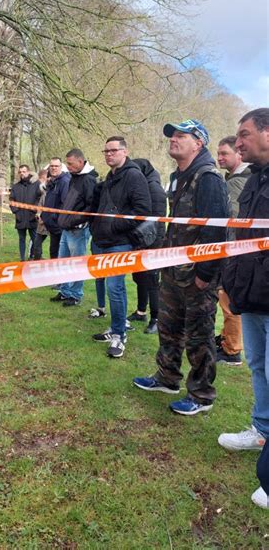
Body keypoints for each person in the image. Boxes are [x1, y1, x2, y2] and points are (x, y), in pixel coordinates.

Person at [133, 119, 229, 415]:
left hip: (197, 276)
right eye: (171, 136)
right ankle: (167, 377)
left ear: (198, 143)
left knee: (199, 335)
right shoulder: (177, 177)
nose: (173, 140)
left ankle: (201, 395)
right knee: (168, 327)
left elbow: (216, 229)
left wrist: (205, 274)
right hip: (173, 270)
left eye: (180, 136)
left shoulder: (208, 178)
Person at [219, 108, 269, 509]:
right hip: (251, 296)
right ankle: (261, 430)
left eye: (245, 134)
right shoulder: (254, 180)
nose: (238, 143)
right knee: (257, 367)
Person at [89, 138, 152, 358]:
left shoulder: (134, 176)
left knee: (115, 288)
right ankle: (117, 327)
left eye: (113, 150)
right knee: (111, 287)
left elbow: (143, 210)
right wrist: (96, 225)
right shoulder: (110, 177)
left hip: (121, 241)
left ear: (125, 152)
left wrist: (114, 226)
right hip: (104, 240)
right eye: (105, 150)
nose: (108, 154)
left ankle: (119, 336)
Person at [215, 136, 251, 365]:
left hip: (235, 251)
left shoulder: (239, 182)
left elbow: (233, 219)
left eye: (224, 154)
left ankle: (232, 350)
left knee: (229, 301)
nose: (220, 158)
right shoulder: (235, 179)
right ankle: (227, 339)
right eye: (218, 154)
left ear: (239, 154)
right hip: (235, 250)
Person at [50, 148, 97, 306]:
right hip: (66, 228)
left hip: (78, 230)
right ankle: (65, 291)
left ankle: (76, 295)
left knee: (77, 264)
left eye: (70, 164)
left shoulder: (89, 180)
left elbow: (91, 207)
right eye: (67, 164)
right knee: (62, 261)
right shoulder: (73, 177)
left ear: (80, 161)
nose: (67, 167)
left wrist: (74, 220)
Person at [127, 158, 167, 335]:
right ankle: (141, 311)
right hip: (139, 241)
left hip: (152, 243)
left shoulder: (155, 189)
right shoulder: (141, 186)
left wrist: (151, 245)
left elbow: (157, 222)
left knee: (152, 281)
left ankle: (156, 319)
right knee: (139, 277)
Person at [9, 164, 41, 261]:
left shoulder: (36, 184)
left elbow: (39, 198)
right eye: (20, 172)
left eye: (24, 171)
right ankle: (22, 259)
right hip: (20, 218)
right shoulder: (16, 186)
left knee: (36, 240)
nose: (22, 174)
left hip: (32, 217)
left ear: (28, 172)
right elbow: (11, 200)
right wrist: (16, 212)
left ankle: (36, 258)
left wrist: (35, 210)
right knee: (21, 239)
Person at [41, 158, 70, 259]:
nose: (53, 168)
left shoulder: (64, 182)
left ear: (61, 167)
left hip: (59, 226)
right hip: (51, 226)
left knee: (58, 254)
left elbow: (65, 204)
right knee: (53, 252)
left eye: (56, 166)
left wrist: (55, 218)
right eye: (51, 166)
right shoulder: (52, 182)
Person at [31, 169, 49, 260]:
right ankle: (36, 259)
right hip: (41, 222)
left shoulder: (53, 189)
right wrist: (38, 214)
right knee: (37, 243)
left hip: (52, 222)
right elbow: (40, 204)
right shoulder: (41, 189)